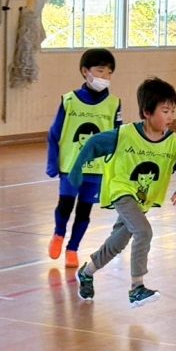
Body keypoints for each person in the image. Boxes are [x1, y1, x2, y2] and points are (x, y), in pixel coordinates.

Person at [70, 77, 176, 307]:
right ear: (147, 112)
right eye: (165, 110)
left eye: (173, 111)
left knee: (118, 242)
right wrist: (77, 171)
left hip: (142, 200)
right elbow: (92, 144)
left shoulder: (173, 143)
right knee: (143, 231)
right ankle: (137, 287)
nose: (170, 116)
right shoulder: (124, 135)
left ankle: (87, 272)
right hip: (121, 191)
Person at [46, 48, 122, 268]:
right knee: (65, 204)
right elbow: (55, 133)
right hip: (71, 165)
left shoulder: (114, 104)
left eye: (109, 73)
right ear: (85, 72)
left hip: (97, 169)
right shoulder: (69, 100)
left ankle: (73, 248)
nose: (104, 77)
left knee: (84, 210)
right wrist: (52, 161)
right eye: (100, 71)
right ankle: (59, 234)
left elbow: (117, 137)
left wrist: (115, 167)